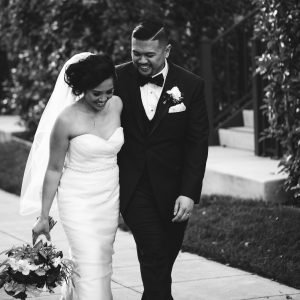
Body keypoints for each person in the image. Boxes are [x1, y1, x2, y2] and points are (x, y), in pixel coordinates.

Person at [115, 20, 209, 299]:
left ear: (166, 50)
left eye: (149, 55)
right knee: (154, 251)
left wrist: (188, 193)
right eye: (135, 53)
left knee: (164, 255)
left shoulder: (191, 85)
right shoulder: (116, 79)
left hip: (173, 189)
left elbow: (197, 144)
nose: (141, 60)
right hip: (133, 186)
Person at [20, 52, 124, 299]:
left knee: (101, 261)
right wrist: (43, 216)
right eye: (96, 93)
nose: (103, 98)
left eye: (108, 91)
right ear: (81, 89)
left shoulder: (118, 105)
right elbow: (54, 169)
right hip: (77, 199)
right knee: (89, 264)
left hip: (109, 196)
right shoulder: (66, 120)